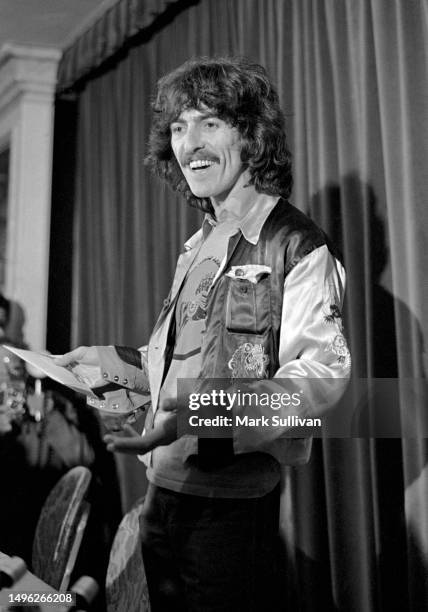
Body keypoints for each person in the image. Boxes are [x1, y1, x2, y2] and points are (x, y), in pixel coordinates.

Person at [56, 57, 351, 611]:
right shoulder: (199, 246)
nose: (189, 142)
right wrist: (97, 365)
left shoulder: (295, 243)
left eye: (209, 122)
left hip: (231, 505)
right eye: (177, 127)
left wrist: (198, 413)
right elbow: (176, 363)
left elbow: (321, 382)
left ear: (251, 134)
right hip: (162, 494)